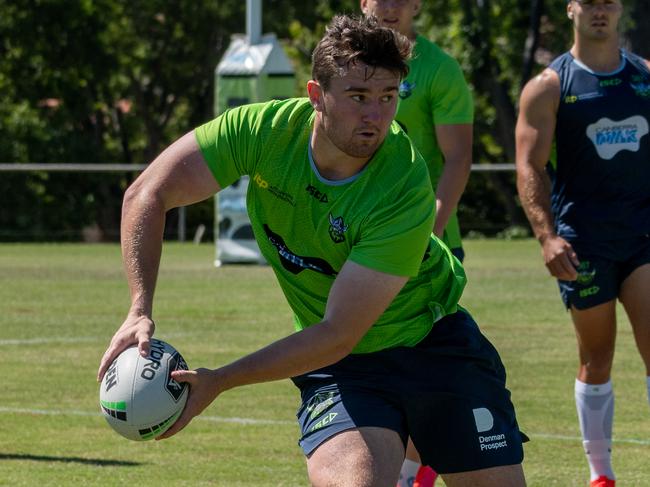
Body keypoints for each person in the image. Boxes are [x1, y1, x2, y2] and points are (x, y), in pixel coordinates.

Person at [98, 15, 526, 487]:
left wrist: (220, 379)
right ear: (316, 95)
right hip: (346, 372)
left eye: (388, 98)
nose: (376, 116)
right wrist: (140, 306)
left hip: (434, 346)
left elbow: (338, 331)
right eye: (359, 97)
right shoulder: (263, 131)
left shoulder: (403, 185)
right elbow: (147, 194)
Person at [515, 1, 650, 486]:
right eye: (588, 1)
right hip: (583, 242)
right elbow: (529, 165)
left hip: (642, 237)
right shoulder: (549, 87)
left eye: (608, 2)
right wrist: (546, 237)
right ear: (571, 8)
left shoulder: (646, 77)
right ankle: (602, 475)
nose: (599, 11)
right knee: (597, 358)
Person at [358, 2, 474, 485]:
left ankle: (409, 473)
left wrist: (424, 233)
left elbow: (458, 158)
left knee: (424, 367)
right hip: (359, 240)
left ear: (418, 5)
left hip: (428, 248)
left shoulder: (439, 68)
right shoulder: (341, 65)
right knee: (362, 363)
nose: (388, 6)